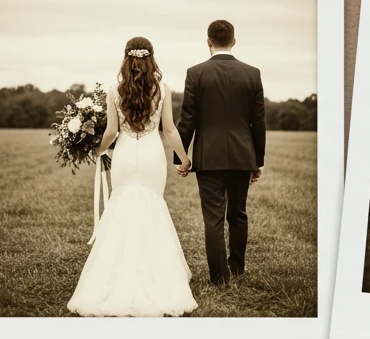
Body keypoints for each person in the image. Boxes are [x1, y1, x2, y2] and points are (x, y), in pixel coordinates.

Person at [67, 37, 197, 317]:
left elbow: (112, 132)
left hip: (125, 156)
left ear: (126, 58)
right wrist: (184, 158)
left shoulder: (115, 90)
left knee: (122, 208)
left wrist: (97, 151)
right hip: (152, 157)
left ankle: (115, 272)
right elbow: (169, 130)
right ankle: (159, 274)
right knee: (152, 207)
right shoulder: (162, 89)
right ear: (151, 58)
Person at [175, 19, 266, 286]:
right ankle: (237, 267)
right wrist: (257, 161)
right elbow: (258, 122)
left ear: (209, 42)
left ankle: (219, 277)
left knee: (213, 219)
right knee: (238, 213)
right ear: (234, 41)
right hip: (242, 155)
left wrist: (182, 158)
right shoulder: (252, 73)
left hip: (208, 157)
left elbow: (187, 119)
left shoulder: (196, 73)